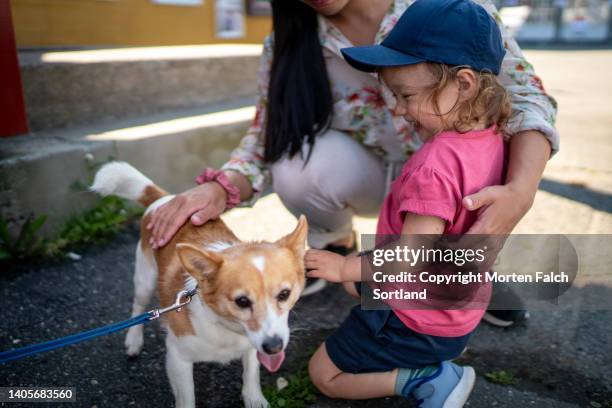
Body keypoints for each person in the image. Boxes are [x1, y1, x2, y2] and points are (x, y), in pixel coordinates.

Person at [147, 0, 558, 323]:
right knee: (295, 162)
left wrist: (520, 192)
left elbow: (527, 97)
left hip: (461, 185)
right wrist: (220, 187)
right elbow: (268, 133)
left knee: (484, 150)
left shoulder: (450, 12)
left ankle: (468, 266)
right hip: (381, 179)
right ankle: (344, 244)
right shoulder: (291, 40)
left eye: (407, 98)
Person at [303, 0, 510, 404]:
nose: (399, 109)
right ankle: (435, 352)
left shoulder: (435, 165)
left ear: (464, 84)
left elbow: (409, 259)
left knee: (324, 374)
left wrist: (346, 264)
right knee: (360, 283)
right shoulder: (493, 138)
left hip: (417, 318)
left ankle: (425, 379)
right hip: (457, 312)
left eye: (407, 95)